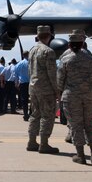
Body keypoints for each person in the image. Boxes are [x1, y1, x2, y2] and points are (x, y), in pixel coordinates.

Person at [57, 30, 92, 164]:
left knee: (76, 125)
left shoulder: (65, 59)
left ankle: (80, 155)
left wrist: (59, 95)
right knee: (90, 124)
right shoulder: (90, 58)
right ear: (82, 44)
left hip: (72, 96)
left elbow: (60, 80)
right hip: (89, 95)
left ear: (69, 45)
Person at [26, 26, 60, 154]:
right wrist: (57, 90)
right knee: (47, 115)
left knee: (35, 114)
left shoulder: (32, 50)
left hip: (33, 87)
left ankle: (32, 141)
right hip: (46, 89)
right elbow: (52, 73)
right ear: (49, 36)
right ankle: (44, 143)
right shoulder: (49, 51)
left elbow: (29, 70)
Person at [15, 51, 30, 120]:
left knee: (24, 99)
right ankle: (32, 113)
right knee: (33, 99)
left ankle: (25, 114)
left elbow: (16, 75)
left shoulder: (19, 64)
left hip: (23, 83)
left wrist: (16, 83)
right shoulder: (31, 63)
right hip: (31, 83)